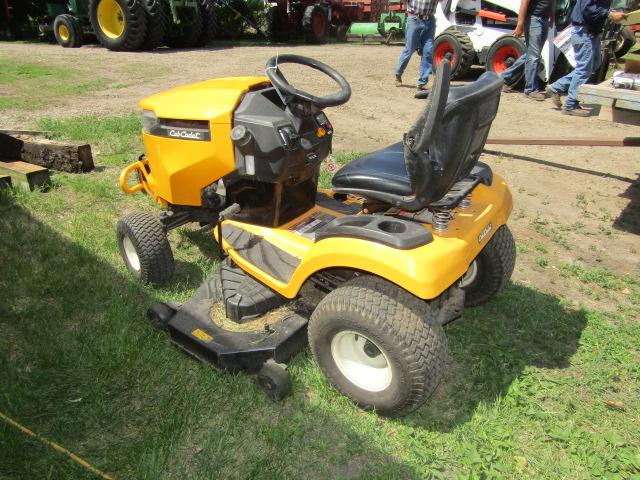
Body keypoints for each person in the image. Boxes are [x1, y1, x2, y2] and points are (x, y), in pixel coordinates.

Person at [545, 0, 626, 116]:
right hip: (584, 31)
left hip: (591, 32)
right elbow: (587, 8)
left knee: (594, 65)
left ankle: (556, 87)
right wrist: (609, 14)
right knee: (584, 68)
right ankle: (570, 105)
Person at [501, 0, 556, 100]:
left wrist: (552, 16)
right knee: (534, 56)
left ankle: (503, 77)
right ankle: (530, 90)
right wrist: (520, 24)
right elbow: (524, 3)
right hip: (534, 19)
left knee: (531, 54)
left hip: (544, 20)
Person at [394, 0, 438, 90]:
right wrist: (410, 13)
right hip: (415, 19)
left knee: (428, 50)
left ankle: (422, 82)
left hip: (430, 20)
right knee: (410, 49)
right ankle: (398, 73)